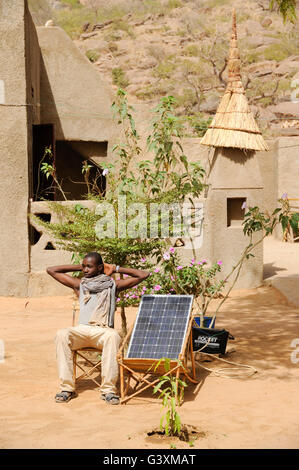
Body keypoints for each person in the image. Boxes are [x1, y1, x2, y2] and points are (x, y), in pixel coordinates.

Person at [47, 252, 149, 405]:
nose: (85, 270)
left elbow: (143, 274)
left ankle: (108, 391)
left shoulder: (113, 286)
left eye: (89, 267)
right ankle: (67, 389)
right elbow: (51, 270)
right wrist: (80, 266)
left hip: (102, 331)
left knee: (113, 336)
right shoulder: (79, 285)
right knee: (62, 334)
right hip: (82, 330)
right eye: (84, 267)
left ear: (100, 267)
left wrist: (115, 268)